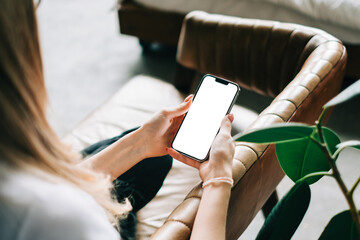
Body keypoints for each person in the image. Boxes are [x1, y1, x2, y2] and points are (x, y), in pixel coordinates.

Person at [0, 0, 235, 239]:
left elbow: (57, 186)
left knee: (153, 161)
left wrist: (140, 142)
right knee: (136, 184)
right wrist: (218, 178)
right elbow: (56, 204)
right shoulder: (58, 217)